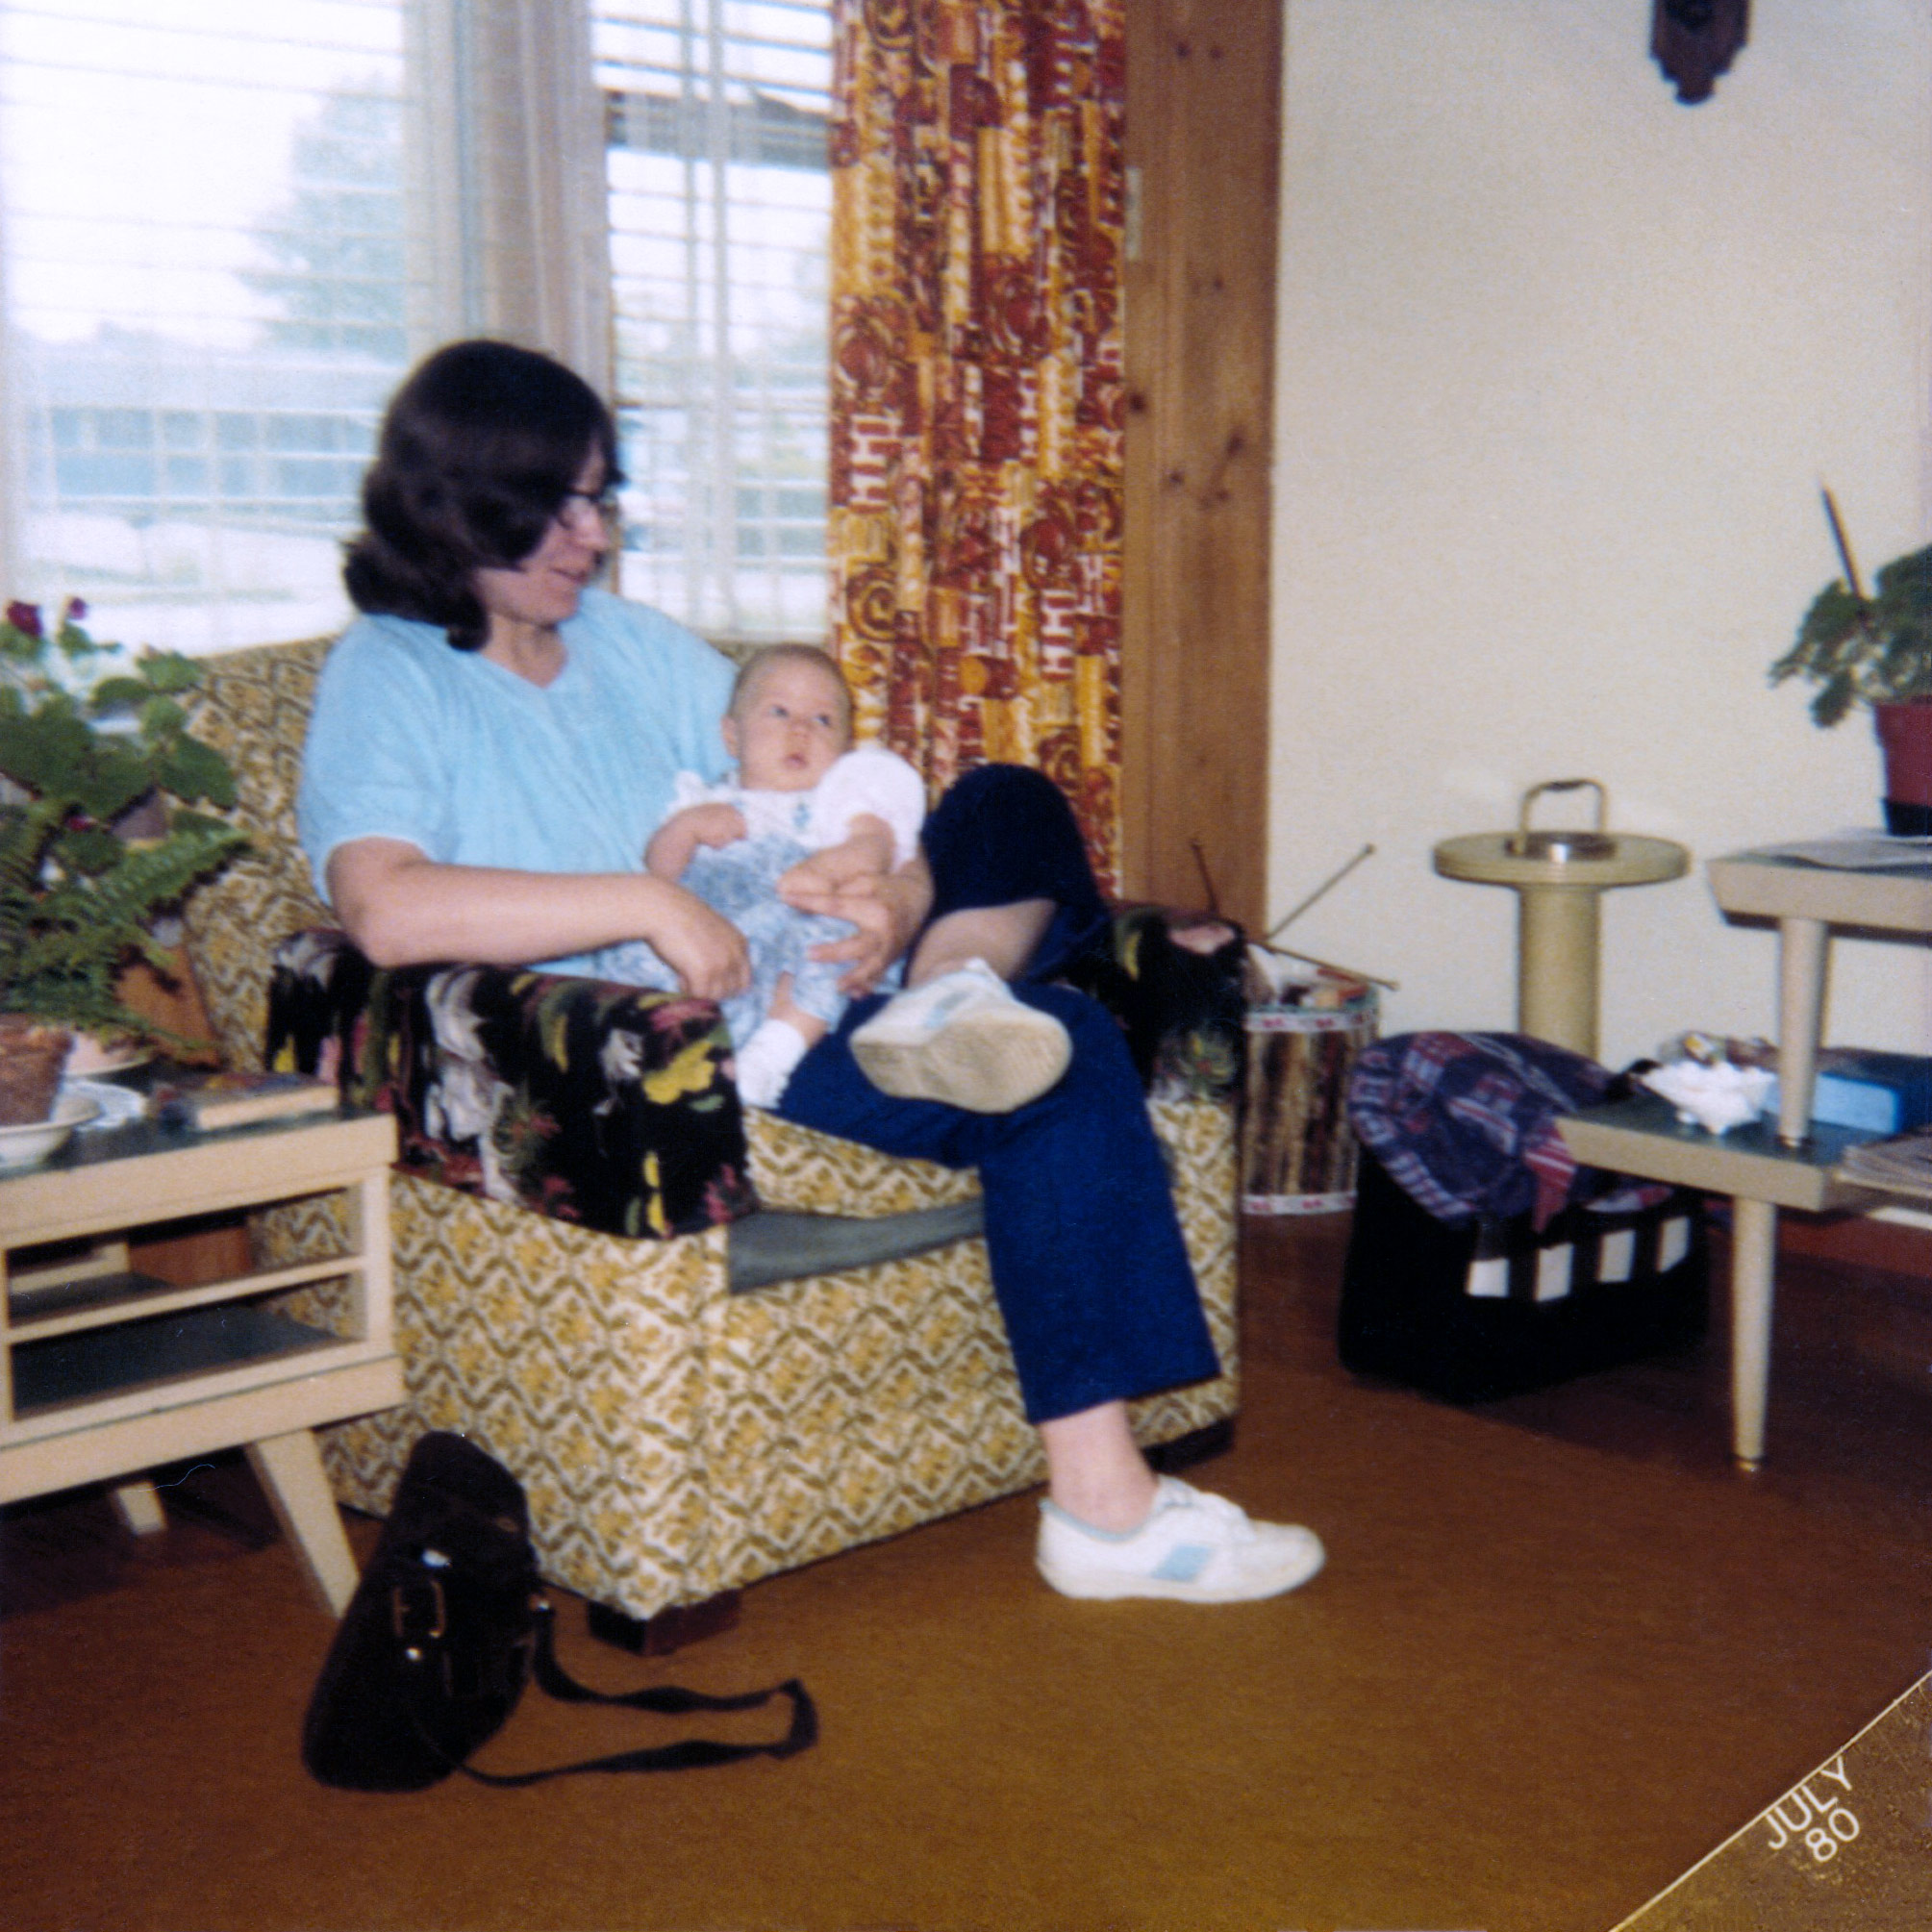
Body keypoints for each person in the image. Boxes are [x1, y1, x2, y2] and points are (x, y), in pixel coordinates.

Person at [297, 339, 1324, 1604]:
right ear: (463, 498)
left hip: (827, 962)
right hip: (680, 1050)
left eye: (600, 500)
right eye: (560, 505)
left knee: (1008, 803)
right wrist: (646, 898)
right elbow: (383, 907)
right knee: (1064, 1051)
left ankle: (945, 993)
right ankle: (1106, 1512)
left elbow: (823, 765)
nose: (593, 535)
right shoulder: (390, 672)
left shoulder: (626, 643)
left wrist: (886, 886)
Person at [606, 642, 930, 1107]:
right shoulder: (702, 798)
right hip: (709, 942)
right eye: (779, 712)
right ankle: (650, 1047)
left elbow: (875, 849)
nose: (801, 730)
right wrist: (685, 829)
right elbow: (658, 875)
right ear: (732, 736)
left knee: (837, 933)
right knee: (636, 949)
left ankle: (775, 1051)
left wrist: (823, 869)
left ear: (844, 751)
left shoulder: (837, 807)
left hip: (794, 935)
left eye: (824, 720)